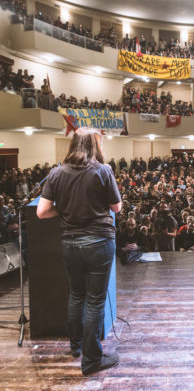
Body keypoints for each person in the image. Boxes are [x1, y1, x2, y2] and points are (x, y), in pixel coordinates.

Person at [36, 128, 122, 376]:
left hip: (70, 244)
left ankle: (76, 347)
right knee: (95, 301)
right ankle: (92, 360)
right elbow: (116, 207)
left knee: (76, 295)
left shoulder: (56, 173)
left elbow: (42, 212)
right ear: (94, 145)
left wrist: (64, 211)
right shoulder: (103, 171)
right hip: (98, 243)